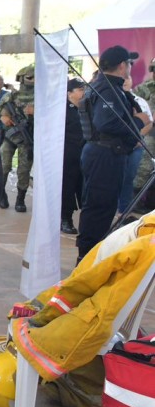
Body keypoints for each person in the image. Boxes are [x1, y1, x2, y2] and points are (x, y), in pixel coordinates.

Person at [77, 46, 143, 259]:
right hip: (104, 156)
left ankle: (91, 255)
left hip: (104, 154)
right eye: (129, 63)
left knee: (102, 208)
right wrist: (138, 122)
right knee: (99, 209)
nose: (130, 67)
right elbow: (105, 123)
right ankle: (87, 258)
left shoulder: (108, 87)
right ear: (122, 66)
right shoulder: (107, 89)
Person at [0, 66, 34, 212]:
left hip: (28, 139)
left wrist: (36, 112)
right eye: (30, 77)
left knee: (24, 170)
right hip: (11, 136)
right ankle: (1, 193)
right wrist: (2, 117)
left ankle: (20, 199)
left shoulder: (42, 96)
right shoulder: (12, 96)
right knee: (4, 166)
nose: (33, 80)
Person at [118, 71, 153, 217]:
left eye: (128, 78)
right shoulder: (111, 99)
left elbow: (148, 122)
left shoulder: (140, 101)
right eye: (122, 78)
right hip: (116, 146)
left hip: (135, 147)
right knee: (114, 177)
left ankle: (124, 210)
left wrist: (138, 138)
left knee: (129, 178)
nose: (125, 81)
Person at [61, 78, 86, 235]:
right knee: (68, 188)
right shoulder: (62, 110)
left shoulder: (86, 108)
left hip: (84, 155)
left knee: (83, 188)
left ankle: (85, 222)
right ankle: (65, 219)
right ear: (69, 93)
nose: (83, 92)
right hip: (68, 156)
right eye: (79, 89)